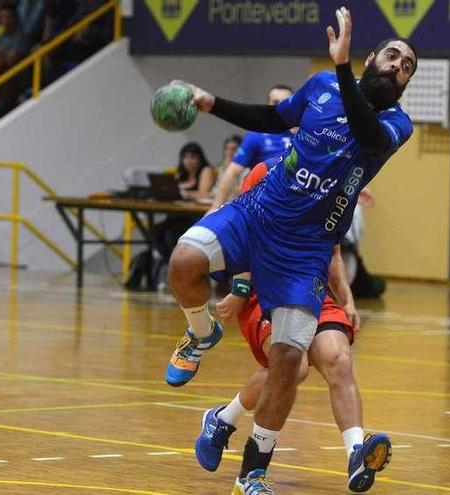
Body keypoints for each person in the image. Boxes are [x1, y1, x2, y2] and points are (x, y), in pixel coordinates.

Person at [164, 7, 416, 493]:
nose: (398, 66)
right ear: (371, 59)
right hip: (258, 213)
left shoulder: (395, 125)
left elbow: (365, 133)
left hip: (304, 251)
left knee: (287, 363)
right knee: (183, 261)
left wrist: (343, 67)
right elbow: (271, 117)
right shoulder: (321, 86)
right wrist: (210, 102)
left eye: (407, 66)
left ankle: (252, 473)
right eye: (392, 55)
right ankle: (199, 334)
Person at [194, 163, 391, 492]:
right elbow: (244, 239)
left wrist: (347, 298)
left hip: (311, 286)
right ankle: (232, 436)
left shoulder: (337, 181)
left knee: (338, 360)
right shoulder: (265, 173)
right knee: (293, 367)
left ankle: (356, 452)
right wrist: (240, 291)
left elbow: (334, 253)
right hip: (266, 289)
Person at [209, 85, 294, 211]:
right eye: (275, 102)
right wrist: (215, 207)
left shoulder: (306, 135)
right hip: (263, 207)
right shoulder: (256, 136)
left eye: (284, 102)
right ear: (267, 105)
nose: (280, 106)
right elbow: (232, 172)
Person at [150, 142, 215, 261]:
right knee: (156, 231)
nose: (188, 161)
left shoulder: (206, 170)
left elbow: (204, 193)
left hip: (194, 217)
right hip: (176, 216)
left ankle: (178, 265)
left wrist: (187, 194)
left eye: (192, 157)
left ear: (200, 158)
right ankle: (169, 263)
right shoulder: (180, 174)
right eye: (185, 157)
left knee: (171, 235)